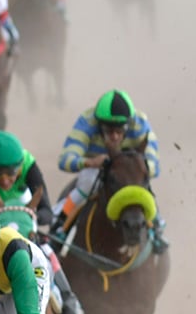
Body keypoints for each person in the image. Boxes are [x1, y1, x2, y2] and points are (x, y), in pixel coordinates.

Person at [0, 130, 83, 314]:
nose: (4, 180)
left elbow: (46, 210)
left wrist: (33, 216)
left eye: (11, 173)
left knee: (45, 247)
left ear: (20, 166)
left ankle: (67, 296)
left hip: (24, 207)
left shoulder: (28, 164)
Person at [54, 88, 167, 253]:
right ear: (98, 125)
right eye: (108, 131)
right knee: (86, 183)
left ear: (128, 126)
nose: (114, 136)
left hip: (128, 166)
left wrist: (137, 165)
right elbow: (65, 159)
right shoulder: (87, 121)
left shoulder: (140, 123)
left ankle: (156, 226)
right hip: (97, 165)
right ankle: (59, 225)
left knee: (140, 184)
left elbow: (154, 166)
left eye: (119, 131)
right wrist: (89, 162)